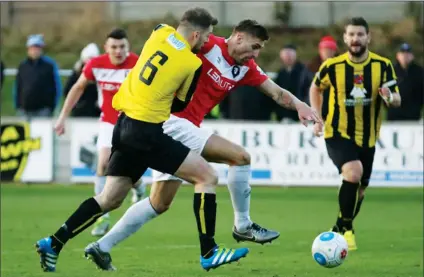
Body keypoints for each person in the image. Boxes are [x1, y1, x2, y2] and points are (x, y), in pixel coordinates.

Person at [84, 19, 322, 271]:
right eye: (254, 46)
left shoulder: (245, 68)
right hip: (172, 120)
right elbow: (175, 40)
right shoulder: (207, 44)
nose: (255, 54)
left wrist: (299, 105)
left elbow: (276, 93)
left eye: (259, 49)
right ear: (238, 37)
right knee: (240, 157)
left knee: (159, 203)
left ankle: (102, 246)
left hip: (183, 129)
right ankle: (242, 226)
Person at [36, 8, 249, 272]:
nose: (207, 43)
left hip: (122, 125)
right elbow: (181, 104)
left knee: (109, 198)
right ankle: (209, 251)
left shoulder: (159, 32)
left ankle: (53, 243)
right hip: (147, 131)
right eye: (206, 38)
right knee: (206, 177)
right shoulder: (192, 63)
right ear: (195, 34)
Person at [309, 17, 401, 251]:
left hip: (368, 137)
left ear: (368, 37)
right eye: (351, 34)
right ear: (345, 38)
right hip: (337, 132)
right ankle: (348, 231)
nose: (356, 39)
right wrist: (317, 117)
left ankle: (340, 225)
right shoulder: (332, 65)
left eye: (360, 34)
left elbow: (396, 98)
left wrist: (389, 97)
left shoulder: (382, 66)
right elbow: (315, 88)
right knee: (353, 171)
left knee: (360, 189)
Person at [53, 29, 145, 237]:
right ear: (106, 48)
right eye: (114, 47)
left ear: (128, 47)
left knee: (127, 170)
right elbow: (77, 88)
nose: (118, 51)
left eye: (122, 47)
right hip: (108, 122)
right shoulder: (96, 64)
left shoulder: (138, 63)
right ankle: (102, 217)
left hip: (133, 122)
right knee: (103, 164)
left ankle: (138, 188)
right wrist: (62, 117)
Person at [14, 34, 62, 119]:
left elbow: (56, 87)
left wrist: (52, 107)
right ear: (28, 49)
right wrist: (18, 106)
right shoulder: (22, 66)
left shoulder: (49, 66)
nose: (35, 50)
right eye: (32, 48)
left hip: (43, 111)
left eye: (37, 48)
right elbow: (17, 86)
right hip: (24, 111)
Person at [63, 43, 101, 118]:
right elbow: (68, 90)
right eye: (89, 58)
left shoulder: (100, 73)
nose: (90, 61)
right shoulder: (76, 73)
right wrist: (75, 104)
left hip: (95, 113)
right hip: (79, 112)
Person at [387, 43, 423, 121]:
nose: (405, 56)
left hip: (413, 117)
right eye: (402, 53)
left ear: (412, 56)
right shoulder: (390, 71)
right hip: (394, 117)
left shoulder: (419, 71)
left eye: (408, 53)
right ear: (397, 55)